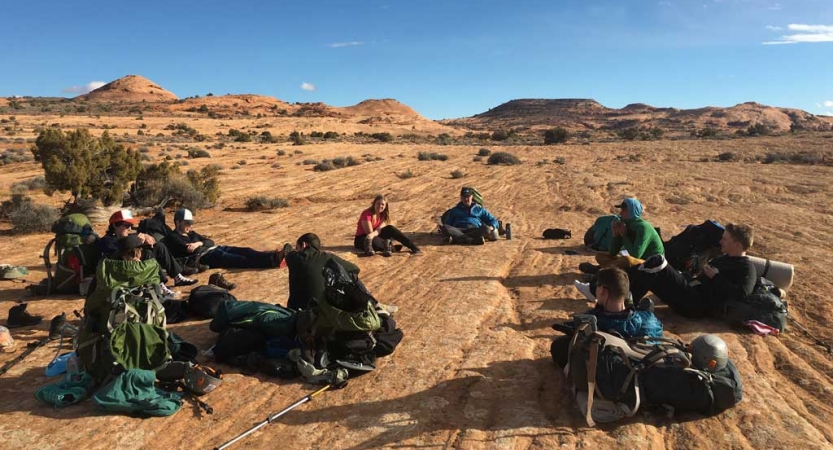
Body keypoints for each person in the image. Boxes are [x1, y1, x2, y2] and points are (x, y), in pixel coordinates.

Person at [625, 223, 757, 319]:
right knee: (650, 268)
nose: (720, 241)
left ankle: (625, 308)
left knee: (657, 262)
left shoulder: (746, 268)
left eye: (725, 239)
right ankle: (621, 298)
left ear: (737, 245)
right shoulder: (724, 258)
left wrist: (716, 277)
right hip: (690, 292)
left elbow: (742, 294)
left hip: (697, 305)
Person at [552, 267, 663, 367]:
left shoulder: (595, 321)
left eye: (597, 286)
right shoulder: (651, 321)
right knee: (643, 312)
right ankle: (631, 308)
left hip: (611, 366)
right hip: (640, 361)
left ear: (602, 290)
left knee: (559, 346)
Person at [99, 210, 197, 288]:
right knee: (147, 254)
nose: (130, 229)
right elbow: (122, 250)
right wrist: (140, 240)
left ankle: (177, 277)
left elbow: (144, 241)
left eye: (131, 226)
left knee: (159, 247)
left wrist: (146, 237)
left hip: (134, 265)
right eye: (127, 225)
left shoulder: (129, 236)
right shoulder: (107, 240)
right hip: (122, 270)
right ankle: (159, 284)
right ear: (115, 225)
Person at [165, 208, 280, 270]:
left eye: (190, 223)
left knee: (246, 250)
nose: (190, 226)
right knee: (240, 259)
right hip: (207, 257)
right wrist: (199, 245)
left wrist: (198, 243)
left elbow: (210, 242)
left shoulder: (191, 234)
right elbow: (194, 251)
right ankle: (270, 262)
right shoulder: (173, 237)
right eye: (187, 223)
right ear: (178, 222)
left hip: (215, 249)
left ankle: (273, 256)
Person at [580, 197, 663, 273]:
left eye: (623, 210)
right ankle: (608, 271)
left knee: (627, 260)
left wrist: (624, 235)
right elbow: (612, 252)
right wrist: (615, 235)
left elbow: (636, 255)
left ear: (632, 212)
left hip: (652, 264)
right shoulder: (625, 225)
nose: (621, 213)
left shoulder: (643, 227)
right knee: (600, 256)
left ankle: (600, 271)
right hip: (636, 261)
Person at [282, 233, 361, 311]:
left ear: (303, 245)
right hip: (322, 312)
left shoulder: (292, 258)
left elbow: (288, 252)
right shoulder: (326, 257)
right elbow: (354, 268)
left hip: (297, 313)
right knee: (351, 275)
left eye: (297, 248)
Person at [354, 195, 421, 257]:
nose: (380, 206)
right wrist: (376, 234)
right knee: (374, 242)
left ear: (386, 206)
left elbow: (379, 230)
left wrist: (377, 233)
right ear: (374, 204)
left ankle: (412, 247)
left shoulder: (384, 214)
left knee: (390, 228)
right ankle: (390, 247)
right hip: (363, 238)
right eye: (378, 203)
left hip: (374, 234)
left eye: (382, 204)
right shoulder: (367, 213)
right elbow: (369, 233)